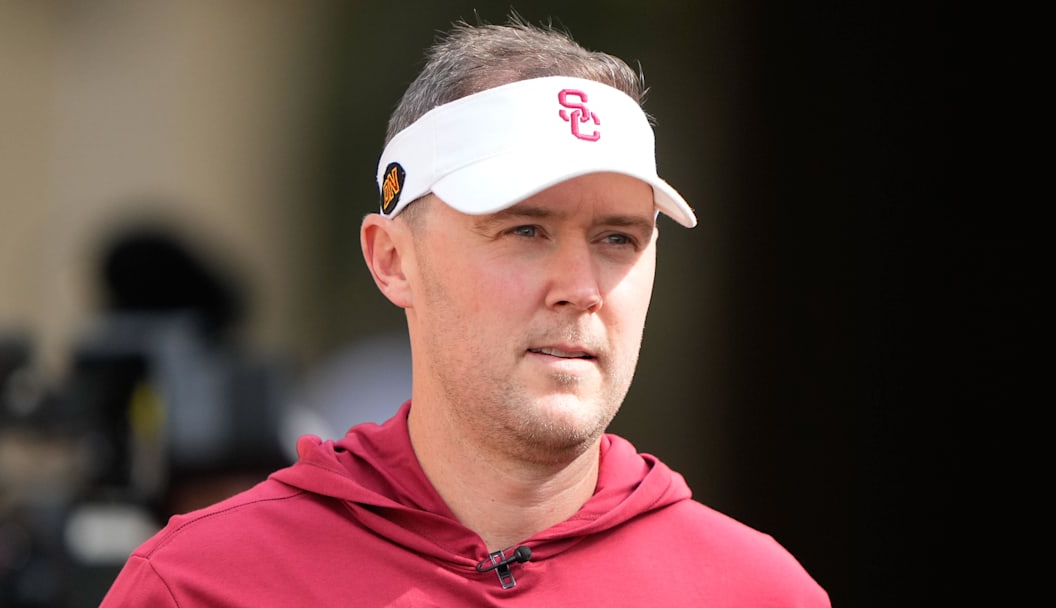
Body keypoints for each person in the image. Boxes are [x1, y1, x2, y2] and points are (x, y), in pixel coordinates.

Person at [100, 17, 830, 606]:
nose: (581, 285)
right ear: (392, 259)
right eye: (524, 230)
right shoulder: (200, 586)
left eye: (617, 238)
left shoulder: (757, 592)